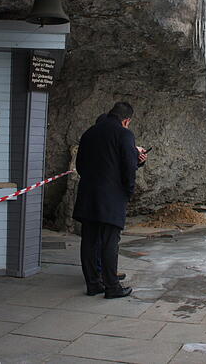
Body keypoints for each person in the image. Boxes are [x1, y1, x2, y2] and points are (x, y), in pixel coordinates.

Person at [73, 102, 147, 298]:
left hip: (88, 194)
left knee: (89, 241)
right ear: (126, 120)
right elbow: (128, 167)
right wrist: (128, 191)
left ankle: (93, 284)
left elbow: (80, 165)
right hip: (111, 197)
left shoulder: (89, 133)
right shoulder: (124, 135)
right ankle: (112, 287)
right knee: (109, 241)